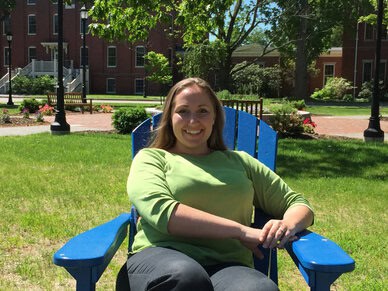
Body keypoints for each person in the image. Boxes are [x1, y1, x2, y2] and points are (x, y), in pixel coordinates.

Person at [124, 77, 314, 290]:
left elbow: (298, 204)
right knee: (188, 277)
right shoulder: (152, 159)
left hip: (229, 267)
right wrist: (240, 231)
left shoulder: (241, 162)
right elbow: (163, 213)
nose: (193, 121)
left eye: (203, 111)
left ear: (215, 117)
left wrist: (287, 224)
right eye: (183, 111)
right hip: (161, 259)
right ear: (170, 117)